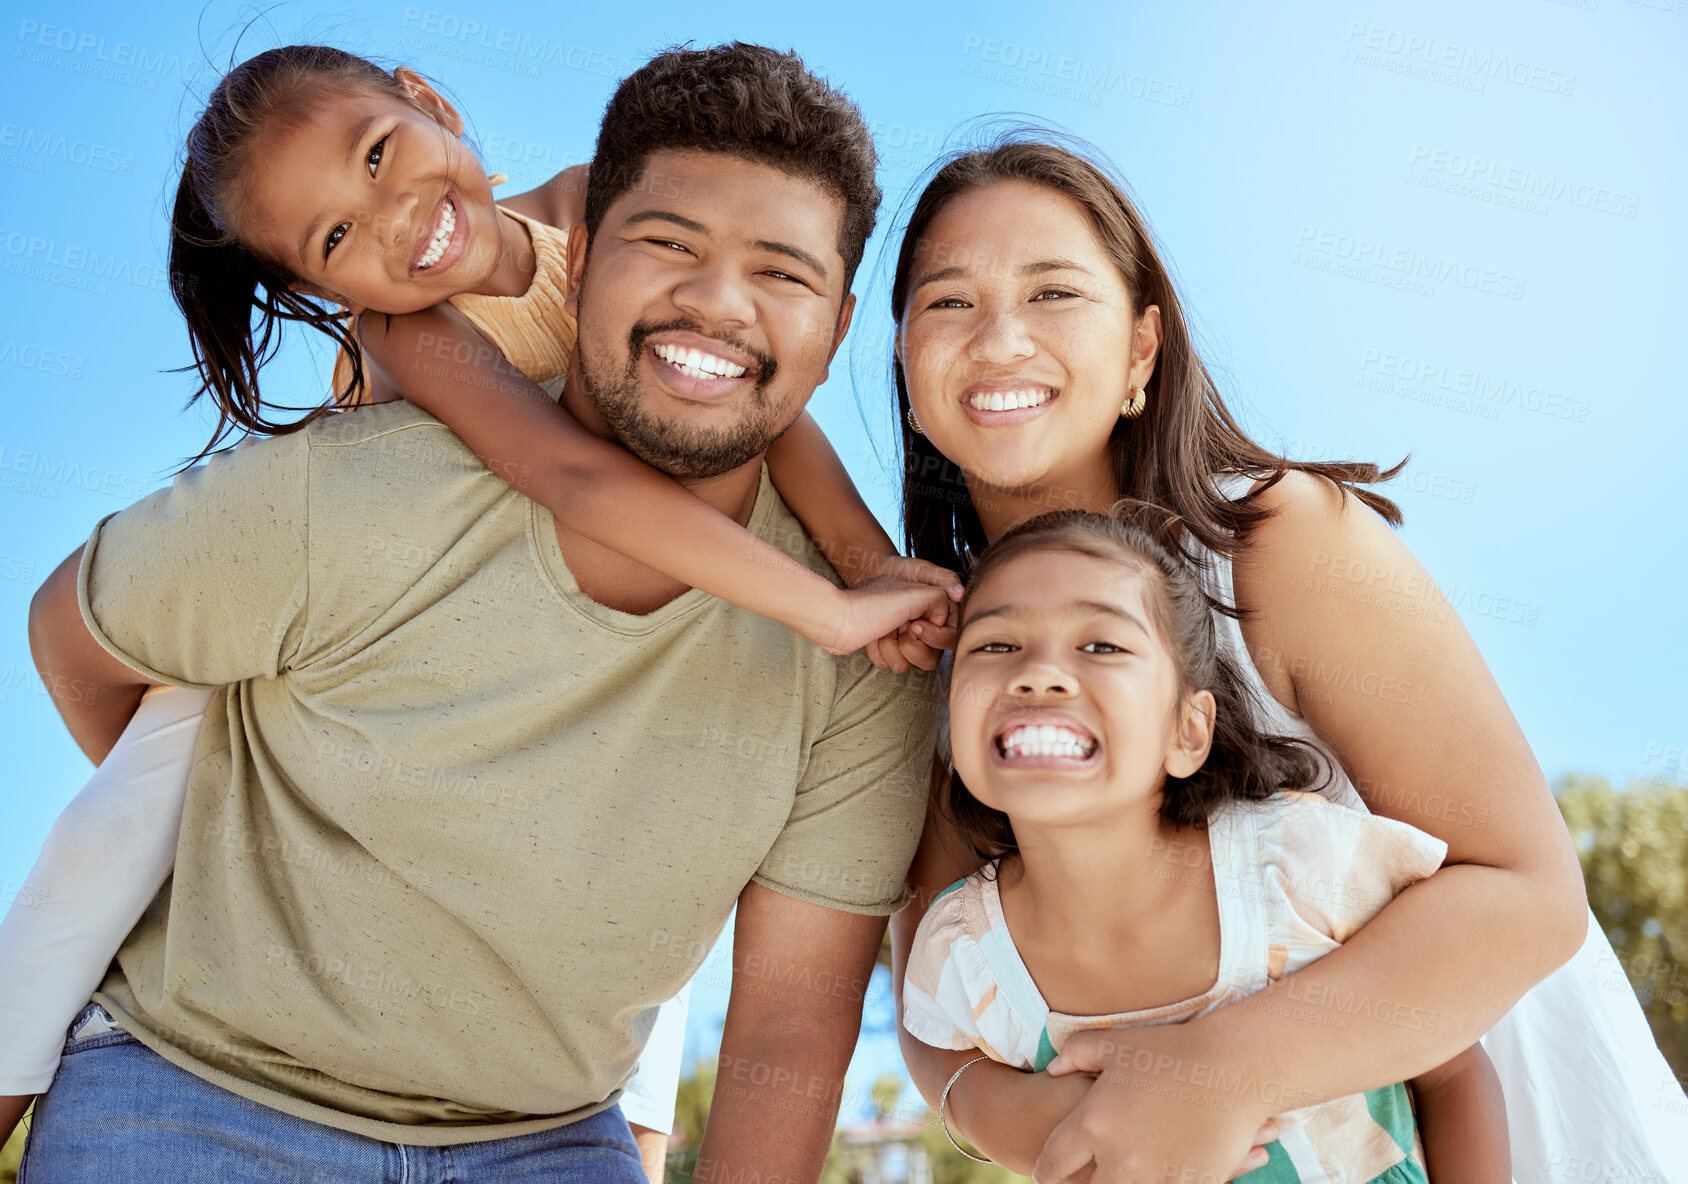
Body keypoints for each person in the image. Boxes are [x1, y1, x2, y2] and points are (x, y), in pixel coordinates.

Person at [0, 42, 964, 1176]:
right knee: (100, 858)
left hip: (544, 1094)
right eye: (336, 237)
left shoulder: (584, 208)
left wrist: (863, 563)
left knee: (631, 906)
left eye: (377, 154)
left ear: (429, 99)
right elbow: (578, 480)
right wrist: (244, 830)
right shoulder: (409, 356)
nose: (396, 220)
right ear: (320, 284)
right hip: (280, 665)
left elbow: (751, 383)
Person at [883, 136, 1688, 1182]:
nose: (998, 338)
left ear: (1140, 352)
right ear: (901, 357)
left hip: (1495, 1127)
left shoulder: (1272, 545)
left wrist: (1210, 1074)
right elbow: (934, 994)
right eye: (947, 302)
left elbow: (1527, 891)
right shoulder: (952, 661)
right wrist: (1045, 1124)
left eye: (1052, 293)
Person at [903, 509, 1510, 1182]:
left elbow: (1454, 1069)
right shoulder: (964, 955)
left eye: (1102, 645)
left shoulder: (1302, 866)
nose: (1040, 673)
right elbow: (944, 1061)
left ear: (1188, 732)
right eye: (996, 646)